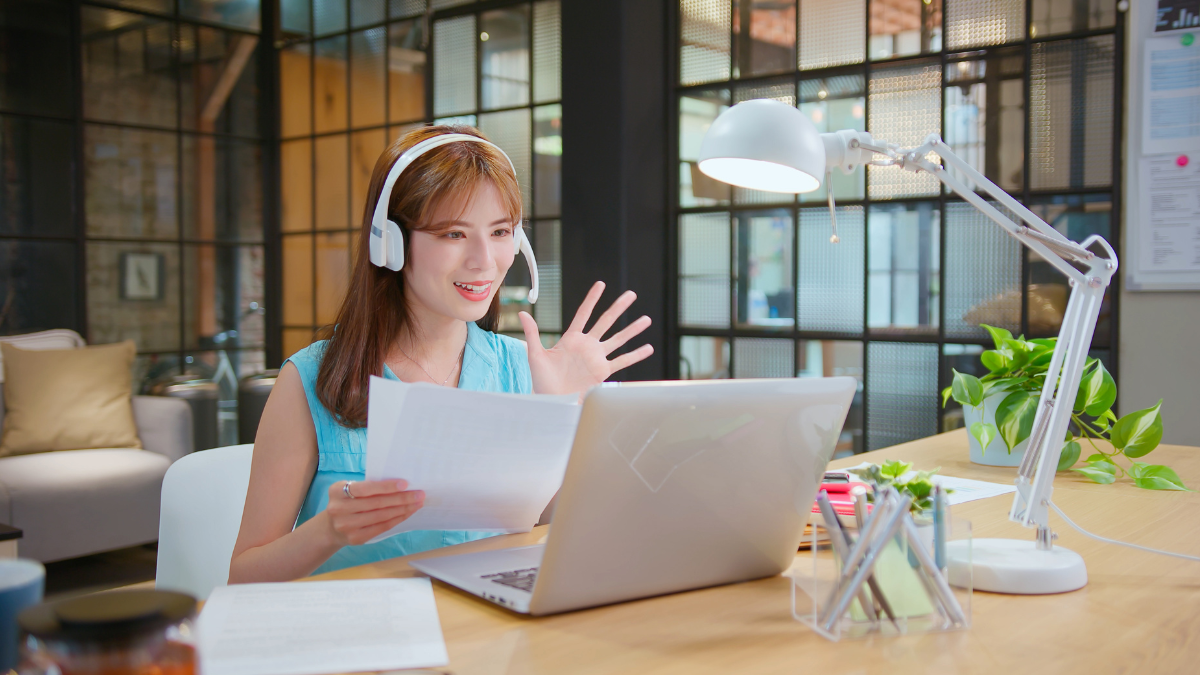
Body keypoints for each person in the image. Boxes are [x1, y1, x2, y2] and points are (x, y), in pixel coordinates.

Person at [229, 126, 652, 582]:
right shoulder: (311, 378)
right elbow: (242, 576)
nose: (484, 260)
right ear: (389, 243)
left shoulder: (527, 370)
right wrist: (328, 532)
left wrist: (563, 415)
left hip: (487, 637)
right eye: (453, 234)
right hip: (360, 639)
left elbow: (568, 538)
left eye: (500, 231)